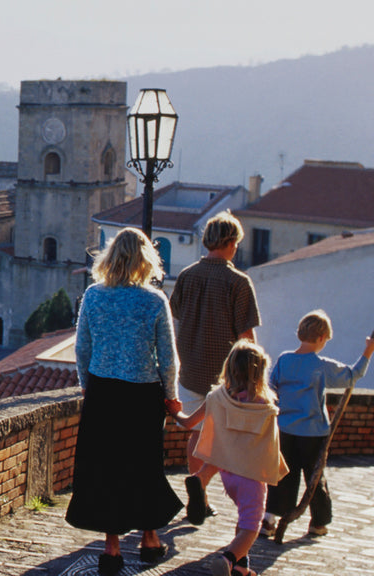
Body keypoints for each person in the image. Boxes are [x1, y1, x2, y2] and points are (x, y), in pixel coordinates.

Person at [67, 227, 182, 575]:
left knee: (106, 467)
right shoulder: (154, 301)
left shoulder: (93, 296)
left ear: (111, 257)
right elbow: (168, 357)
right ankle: (149, 539)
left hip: (103, 391)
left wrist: (87, 385)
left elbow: (82, 347)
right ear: (145, 259)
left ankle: (112, 548)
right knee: (144, 465)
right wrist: (171, 396)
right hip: (142, 395)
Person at [170, 210, 261, 522]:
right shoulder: (238, 282)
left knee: (195, 432)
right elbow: (246, 337)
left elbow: (176, 321)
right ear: (232, 242)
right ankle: (203, 483)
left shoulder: (185, 276)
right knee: (224, 436)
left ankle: (200, 496)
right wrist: (255, 375)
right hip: (226, 376)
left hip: (190, 369)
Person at [174, 341, 288, 576]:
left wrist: (174, 408)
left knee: (244, 518)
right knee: (251, 527)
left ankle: (240, 567)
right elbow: (270, 445)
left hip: (226, 473)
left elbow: (188, 423)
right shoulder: (265, 407)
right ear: (260, 372)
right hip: (252, 477)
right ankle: (228, 558)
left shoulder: (218, 397)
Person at [261, 310, 374, 538]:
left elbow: (271, 390)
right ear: (322, 337)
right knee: (314, 477)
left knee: (281, 473)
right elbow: (353, 375)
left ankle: (269, 518)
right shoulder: (321, 365)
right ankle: (318, 522)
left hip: (284, 429)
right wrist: (368, 351)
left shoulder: (284, 359)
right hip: (313, 433)